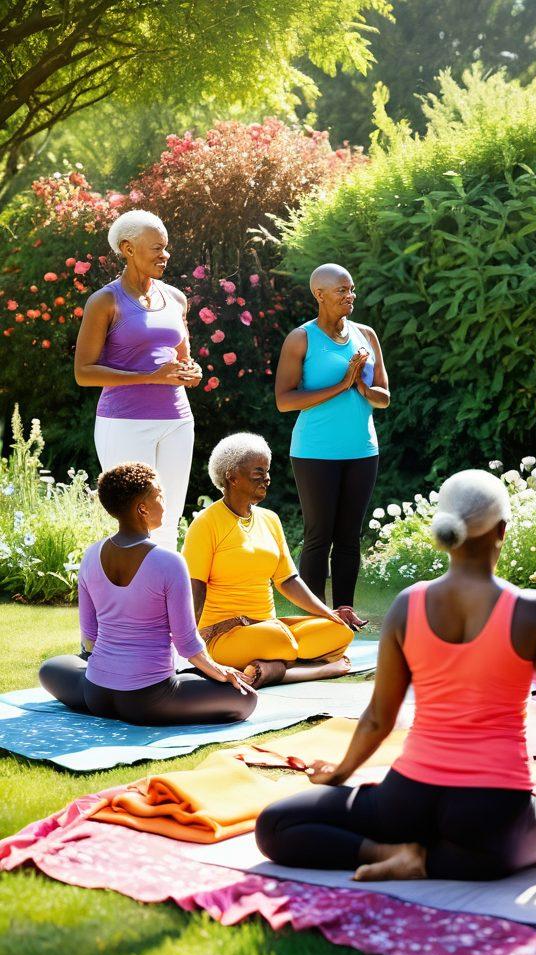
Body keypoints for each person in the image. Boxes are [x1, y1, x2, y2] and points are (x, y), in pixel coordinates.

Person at [255, 470, 536, 881]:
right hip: (491, 814)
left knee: (276, 825)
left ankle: (394, 852)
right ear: (502, 531)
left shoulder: (408, 605)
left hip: (407, 802)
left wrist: (340, 776)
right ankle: (448, 860)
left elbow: (379, 719)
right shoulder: (531, 611)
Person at [39, 463, 256, 724]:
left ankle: (108, 693)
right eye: (159, 495)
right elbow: (187, 645)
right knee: (246, 698)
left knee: (50, 668)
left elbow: (89, 638)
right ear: (143, 509)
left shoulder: (90, 555)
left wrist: (110, 670)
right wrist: (220, 672)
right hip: (150, 700)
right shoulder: (169, 562)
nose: (164, 501)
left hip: (96, 694)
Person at [182, 433, 360, 686]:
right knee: (282, 641)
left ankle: (269, 667)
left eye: (267, 471)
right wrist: (190, 642)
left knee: (339, 631)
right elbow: (195, 586)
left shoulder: (270, 519)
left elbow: (288, 579)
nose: (266, 478)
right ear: (232, 476)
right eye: (258, 472)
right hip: (223, 634)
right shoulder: (205, 524)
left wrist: (329, 613)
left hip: (269, 628)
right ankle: (315, 669)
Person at [74, 210, 202, 551]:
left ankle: (163, 601)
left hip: (177, 420)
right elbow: (83, 372)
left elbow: (183, 358)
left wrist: (192, 371)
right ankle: (126, 599)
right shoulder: (104, 301)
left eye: (166, 248)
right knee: (133, 519)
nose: (165, 255)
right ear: (128, 248)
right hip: (124, 421)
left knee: (169, 517)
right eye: (157, 248)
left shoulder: (175, 298)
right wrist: (149, 377)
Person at [276, 264, 389, 623]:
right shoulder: (301, 339)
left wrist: (361, 386)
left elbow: (383, 397)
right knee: (318, 534)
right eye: (341, 290)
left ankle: (344, 609)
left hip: (362, 449)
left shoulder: (366, 335)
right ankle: (314, 618)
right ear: (319, 294)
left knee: (348, 536)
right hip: (315, 451)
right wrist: (341, 385)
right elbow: (284, 400)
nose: (349, 296)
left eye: (351, 289)